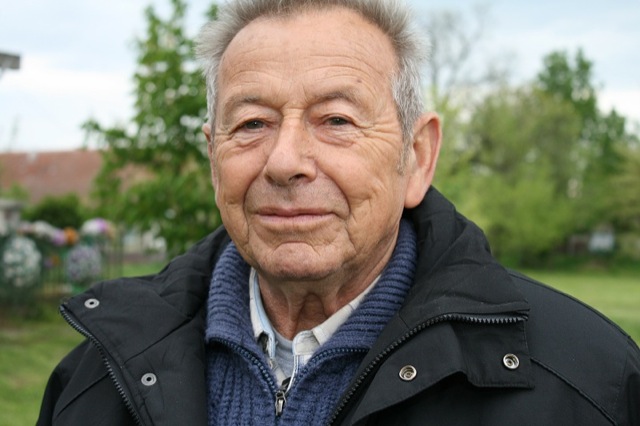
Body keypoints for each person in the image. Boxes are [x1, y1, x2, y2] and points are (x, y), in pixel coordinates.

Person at [37, 0, 639, 425]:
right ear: (214, 158)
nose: (285, 162)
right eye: (252, 123)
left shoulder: (586, 387)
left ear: (417, 157)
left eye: (336, 120)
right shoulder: (97, 381)